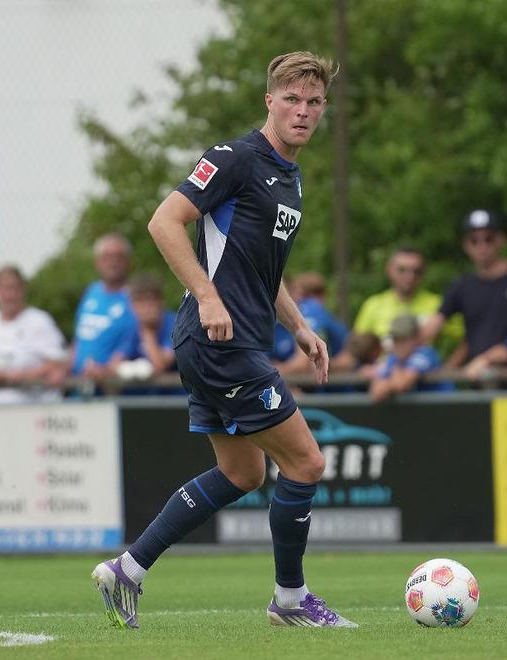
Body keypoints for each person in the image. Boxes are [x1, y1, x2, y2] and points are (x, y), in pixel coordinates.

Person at [91, 51, 357, 629]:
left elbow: (260, 269)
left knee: (243, 474)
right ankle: (291, 601)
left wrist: (299, 326)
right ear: (270, 100)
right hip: (220, 341)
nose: (303, 111)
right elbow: (164, 221)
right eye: (292, 99)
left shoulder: (289, 177)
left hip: (230, 341)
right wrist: (207, 296)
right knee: (307, 462)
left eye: (314, 102)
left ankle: (127, 569)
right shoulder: (234, 157)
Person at [421, 210, 507, 375]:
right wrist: (403, 352)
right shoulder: (462, 285)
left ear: (501, 240)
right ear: (465, 245)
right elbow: (433, 326)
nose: (482, 246)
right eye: (474, 240)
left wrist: (493, 356)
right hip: (477, 377)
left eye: (488, 239)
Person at [0, 266, 67, 404]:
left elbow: (59, 362)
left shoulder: (40, 321)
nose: (10, 295)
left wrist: (23, 375)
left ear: (23, 290)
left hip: (37, 407)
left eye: (15, 288)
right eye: (5, 288)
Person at [353, 246, 463, 359]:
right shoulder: (373, 305)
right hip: (383, 368)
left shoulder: (439, 304)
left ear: (424, 273)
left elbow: (468, 337)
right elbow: (357, 348)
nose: (410, 276)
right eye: (402, 270)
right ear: (388, 269)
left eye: (417, 271)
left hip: (424, 367)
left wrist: (451, 365)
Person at [70, 233, 138, 380]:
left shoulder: (135, 297)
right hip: (78, 383)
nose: (113, 262)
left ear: (128, 261)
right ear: (97, 262)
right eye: (107, 257)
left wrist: (106, 371)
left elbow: (130, 342)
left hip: (110, 384)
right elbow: (78, 338)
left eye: (119, 257)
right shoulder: (91, 292)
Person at [275, 271, 348, 377]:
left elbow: (302, 364)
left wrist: (272, 371)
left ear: (300, 292)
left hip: (335, 383)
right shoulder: (312, 311)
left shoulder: (310, 307)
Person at [369, 314, 450, 402]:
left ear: (416, 337)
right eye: (396, 339)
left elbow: (401, 384)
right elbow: (376, 390)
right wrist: (389, 382)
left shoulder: (425, 353)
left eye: (404, 339)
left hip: (444, 407)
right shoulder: (393, 357)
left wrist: (392, 376)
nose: (399, 345)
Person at [114, 272, 177, 381]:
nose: (145, 308)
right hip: (141, 391)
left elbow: (160, 365)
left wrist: (148, 331)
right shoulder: (133, 326)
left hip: (172, 390)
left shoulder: (174, 324)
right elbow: (115, 362)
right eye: (139, 302)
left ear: (160, 301)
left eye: (149, 300)